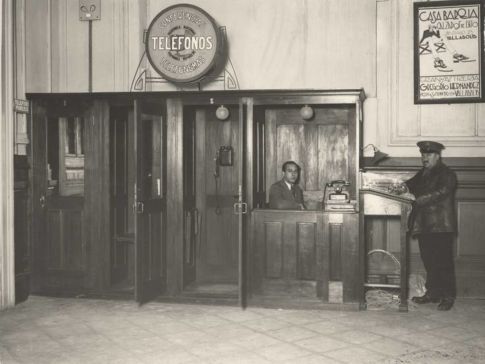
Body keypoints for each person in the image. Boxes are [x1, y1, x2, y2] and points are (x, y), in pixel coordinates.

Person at [391, 141, 457, 311]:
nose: (424, 158)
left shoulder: (447, 174)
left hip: (441, 226)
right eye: (422, 155)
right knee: (429, 261)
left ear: (437, 156)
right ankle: (433, 293)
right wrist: (400, 187)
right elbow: (410, 184)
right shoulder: (424, 173)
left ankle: (448, 296)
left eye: (428, 155)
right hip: (425, 225)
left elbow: (441, 192)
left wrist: (416, 198)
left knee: (443, 262)